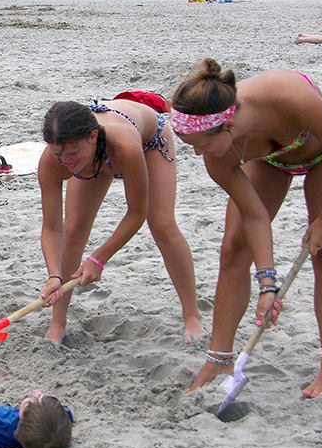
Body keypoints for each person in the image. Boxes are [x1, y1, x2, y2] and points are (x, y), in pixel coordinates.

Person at [171, 59, 322, 399]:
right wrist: (267, 285)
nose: (199, 155)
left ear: (227, 125)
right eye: (191, 146)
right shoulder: (217, 155)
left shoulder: (288, 96)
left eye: (201, 144)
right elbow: (255, 217)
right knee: (232, 249)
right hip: (272, 160)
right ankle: (219, 359)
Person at [36, 93, 202, 343]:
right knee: (73, 231)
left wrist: (98, 258)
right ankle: (57, 324)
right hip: (94, 157)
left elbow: (137, 212)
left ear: (92, 136)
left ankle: (192, 315)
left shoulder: (124, 146)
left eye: (71, 153)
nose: (65, 162)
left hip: (149, 141)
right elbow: (51, 228)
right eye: (59, 155)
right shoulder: (55, 160)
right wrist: (54, 275)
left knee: (162, 224)